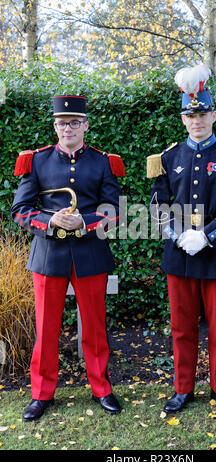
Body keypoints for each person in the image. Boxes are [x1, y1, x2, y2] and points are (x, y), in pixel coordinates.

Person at [147, 64, 216, 413]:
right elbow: (157, 204)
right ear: (182, 119)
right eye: (190, 116)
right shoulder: (168, 156)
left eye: (203, 114)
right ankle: (183, 389)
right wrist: (177, 235)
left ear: (214, 115)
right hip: (179, 254)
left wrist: (207, 236)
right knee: (181, 326)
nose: (197, 121)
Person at [11, 95, 125, 421]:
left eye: (75, 122)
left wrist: (85, 222)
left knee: (94, 327)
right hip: (48, 255)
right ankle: (41, 393)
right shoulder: (36, 161)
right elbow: (20, 211)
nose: (68, 129)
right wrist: (50, 221)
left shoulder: (103, 163)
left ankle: (101, 388)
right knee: (46, 329)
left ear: (86, 125)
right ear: (54, 125)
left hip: (90, 253)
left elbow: (114, 210)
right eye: (62, 123)